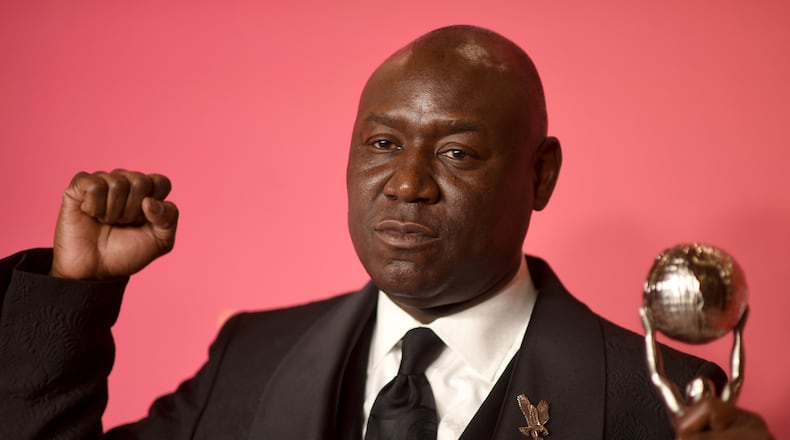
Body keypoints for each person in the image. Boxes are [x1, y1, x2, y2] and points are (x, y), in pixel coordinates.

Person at [0, 25, 772, 440]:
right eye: (380, 144)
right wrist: (77, 291)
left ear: (540, 175)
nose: (406, 184)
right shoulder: (252, 359)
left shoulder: (668, 406)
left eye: (458, 153)